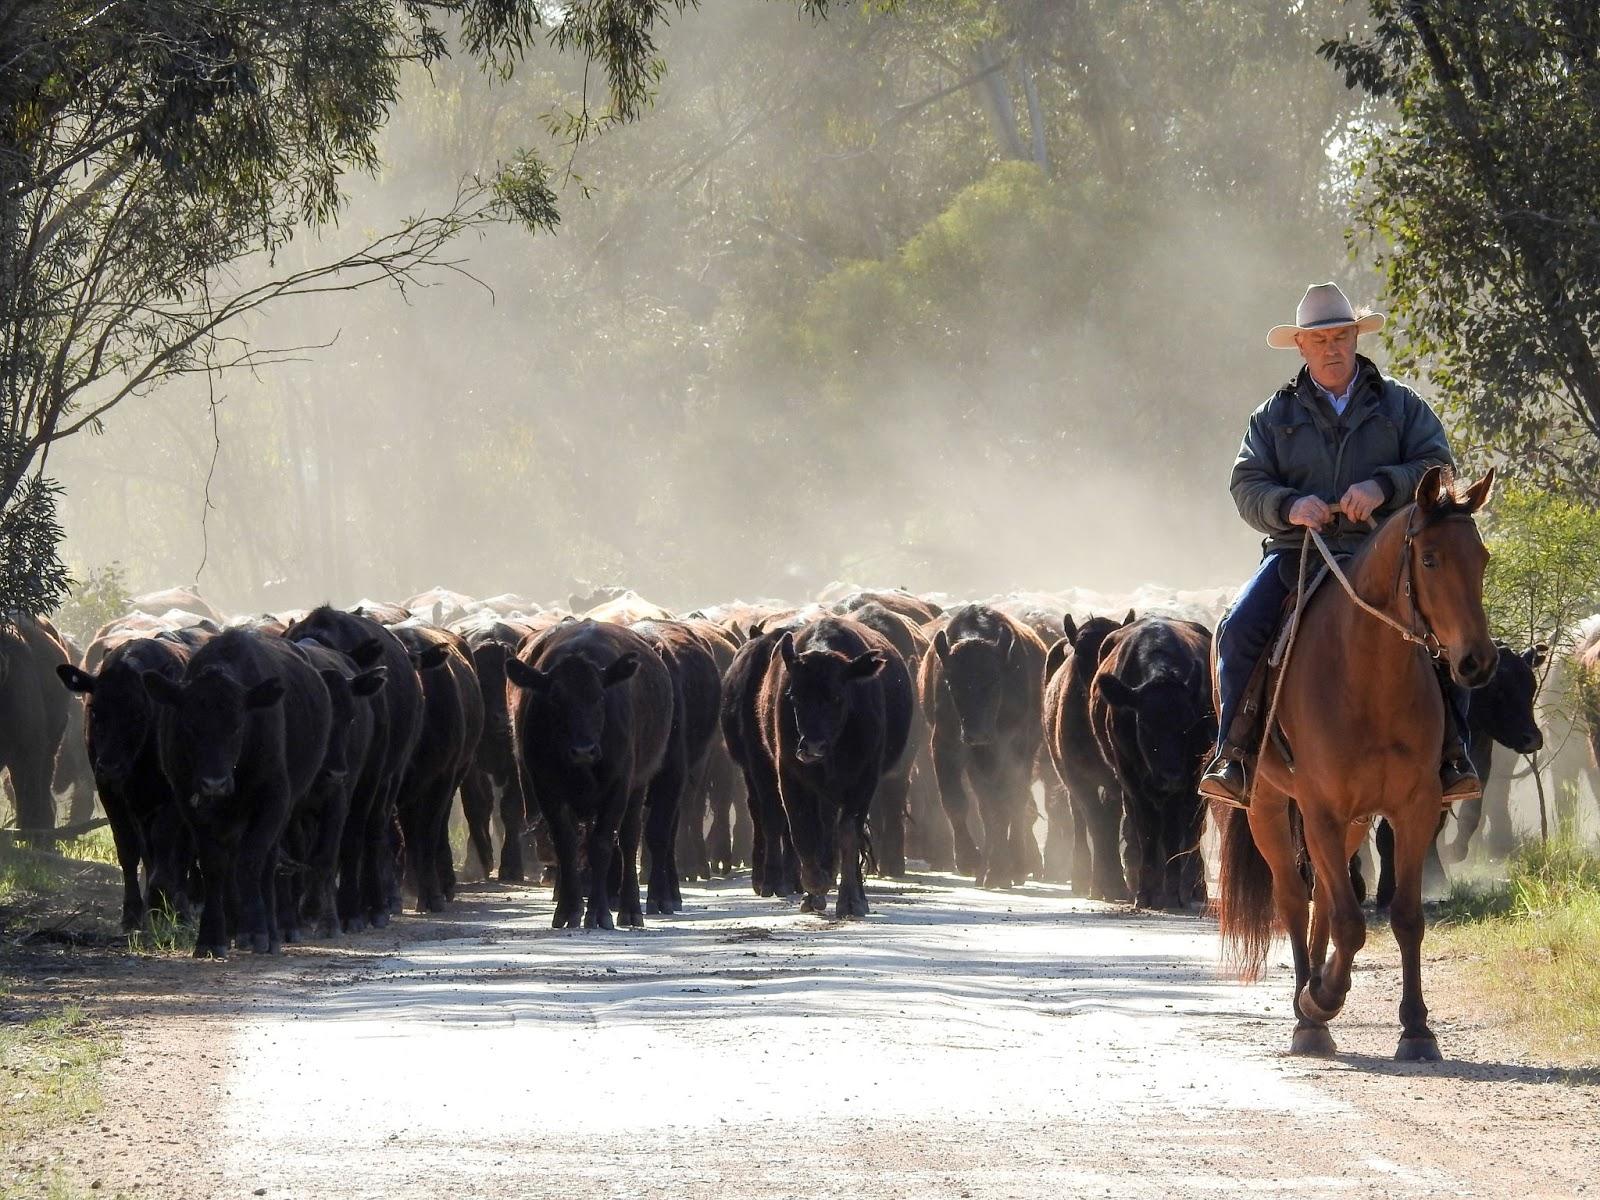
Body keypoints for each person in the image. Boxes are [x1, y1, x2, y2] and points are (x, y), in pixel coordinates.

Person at [1198, 282, 1480, 808]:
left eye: (1341, 336)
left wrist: (1384, 487)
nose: (1332, 348)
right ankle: (1235, 754)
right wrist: (1287, 505)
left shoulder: (1402, 405)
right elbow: (1246, 484)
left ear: (1356, 338)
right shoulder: (1272, 417)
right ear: (1301, 347)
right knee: (1237, 630)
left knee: (1455, 627)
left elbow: (1439, 466)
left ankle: (1451, 754)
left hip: (1393, 556)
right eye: (1320, 339)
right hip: (1297, 555)